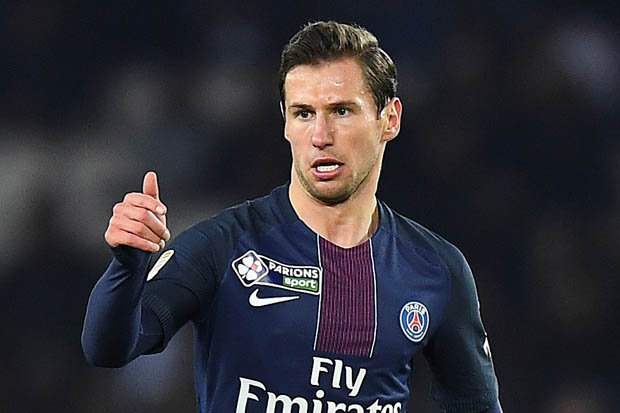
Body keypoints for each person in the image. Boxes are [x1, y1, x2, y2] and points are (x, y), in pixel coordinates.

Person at [82, 21, 502, 413]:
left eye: (341, 111)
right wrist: (127, 266)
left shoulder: (436, 269)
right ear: (285, 122)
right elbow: (107, 348)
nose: (320, 136)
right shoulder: (224, 245)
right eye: (304, 113)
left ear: (388, 119)